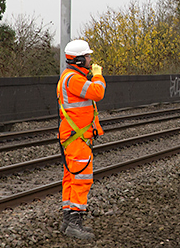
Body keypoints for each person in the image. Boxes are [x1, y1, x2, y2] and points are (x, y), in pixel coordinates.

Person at [58, 39, 106, 240]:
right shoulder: (74, 80)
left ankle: (68, 220)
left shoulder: (70, 77)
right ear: (78, 60)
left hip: (73, 137)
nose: (90, 59)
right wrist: (98, 75)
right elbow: (98, 92)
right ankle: (75, 222)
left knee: (71, 178)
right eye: (87, 57)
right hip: (77, 139)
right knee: (81, 180)